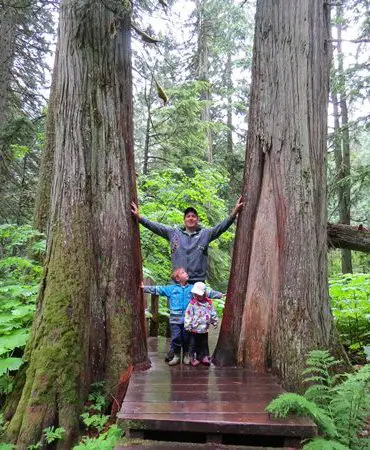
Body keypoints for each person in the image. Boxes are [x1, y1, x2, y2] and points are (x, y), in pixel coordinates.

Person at [131, 197, 243, 283]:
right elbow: (155, 226)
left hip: (197, 283)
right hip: (178, 282)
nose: (191, 218)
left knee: (197, 312)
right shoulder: (173, 233)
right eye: (188, 216)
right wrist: (139, 218)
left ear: (197, 219)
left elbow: (221, 227)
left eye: (194, 216)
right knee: (177, 312)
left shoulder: (206, 234)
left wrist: (234, 213)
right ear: (184, 219)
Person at [142, 268, 223, 366]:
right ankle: (176, 356)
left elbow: (206, 291)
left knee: (186, 338)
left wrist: (219, 295)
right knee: (176, 338)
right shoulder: (171, 289)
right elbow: (157, 289)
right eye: (183, 273)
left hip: (188, 320)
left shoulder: (192, 288)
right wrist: (144, 288)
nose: (186, 273)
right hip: (175, 320)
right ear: (177, 278)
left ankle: (186, 355)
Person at [184, 282, 218, 367]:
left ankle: (204, 356)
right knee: (193, 343)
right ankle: (191, 357)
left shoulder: (209, 303)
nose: (197, 296)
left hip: (204, 328)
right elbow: (188, 314)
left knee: (204, 343)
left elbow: (212, 312)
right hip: (194, 328)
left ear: (204, 293)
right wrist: (187, 324)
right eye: (195, 294)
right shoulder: (193, 303)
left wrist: (214, 321)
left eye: (199, 294)